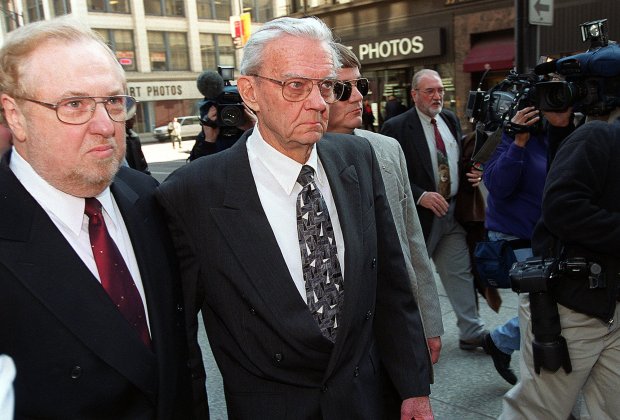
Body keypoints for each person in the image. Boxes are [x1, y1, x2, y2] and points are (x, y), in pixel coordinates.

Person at [157, 16, 433, 420]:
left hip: (369, 401)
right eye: (296, 86)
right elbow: (179, 342)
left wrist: (413, 387)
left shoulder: (357, 160)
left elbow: (390, 283)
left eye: (326, 86)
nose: (320, 103)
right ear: (249, 91)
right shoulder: (192, 193)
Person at [0, 17, 194, 419]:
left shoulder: (146, 197)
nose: (106, 126)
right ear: (14, 116)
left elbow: (181, 360)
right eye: (74, 105)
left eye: (113, 102)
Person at [327, 43, 443, 365]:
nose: (357, 96)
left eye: (360, 86)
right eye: (341, 89)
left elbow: (413, 243)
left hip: (394, 314)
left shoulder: (388, 149)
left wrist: (430, 322)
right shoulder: (302, 160)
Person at [500, 109, 620, 419]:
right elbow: (562, 208)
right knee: (538, 411)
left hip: (612, 308)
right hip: (573, 308)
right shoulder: (597, 136)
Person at [381, 69, 488, 351]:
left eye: (440, 90)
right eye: (429, 91)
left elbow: (456, 159)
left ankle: (471, 331)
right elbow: (388, 173)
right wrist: (420, 195)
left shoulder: (449, 119)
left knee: (459, 272)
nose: (437, 96)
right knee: (413, 280)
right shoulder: (397, 127)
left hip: (453, 213)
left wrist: (473, 173)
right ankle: (410, 338)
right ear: (414, 94)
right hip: (420, 218)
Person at [481, 106, 547, 385]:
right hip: (516, 238)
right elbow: (498, 185)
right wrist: (518, 143)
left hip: (548, 235)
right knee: (542, 308)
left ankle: (499, 341)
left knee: (547, 307)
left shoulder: (552, 134)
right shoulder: (500, 138)